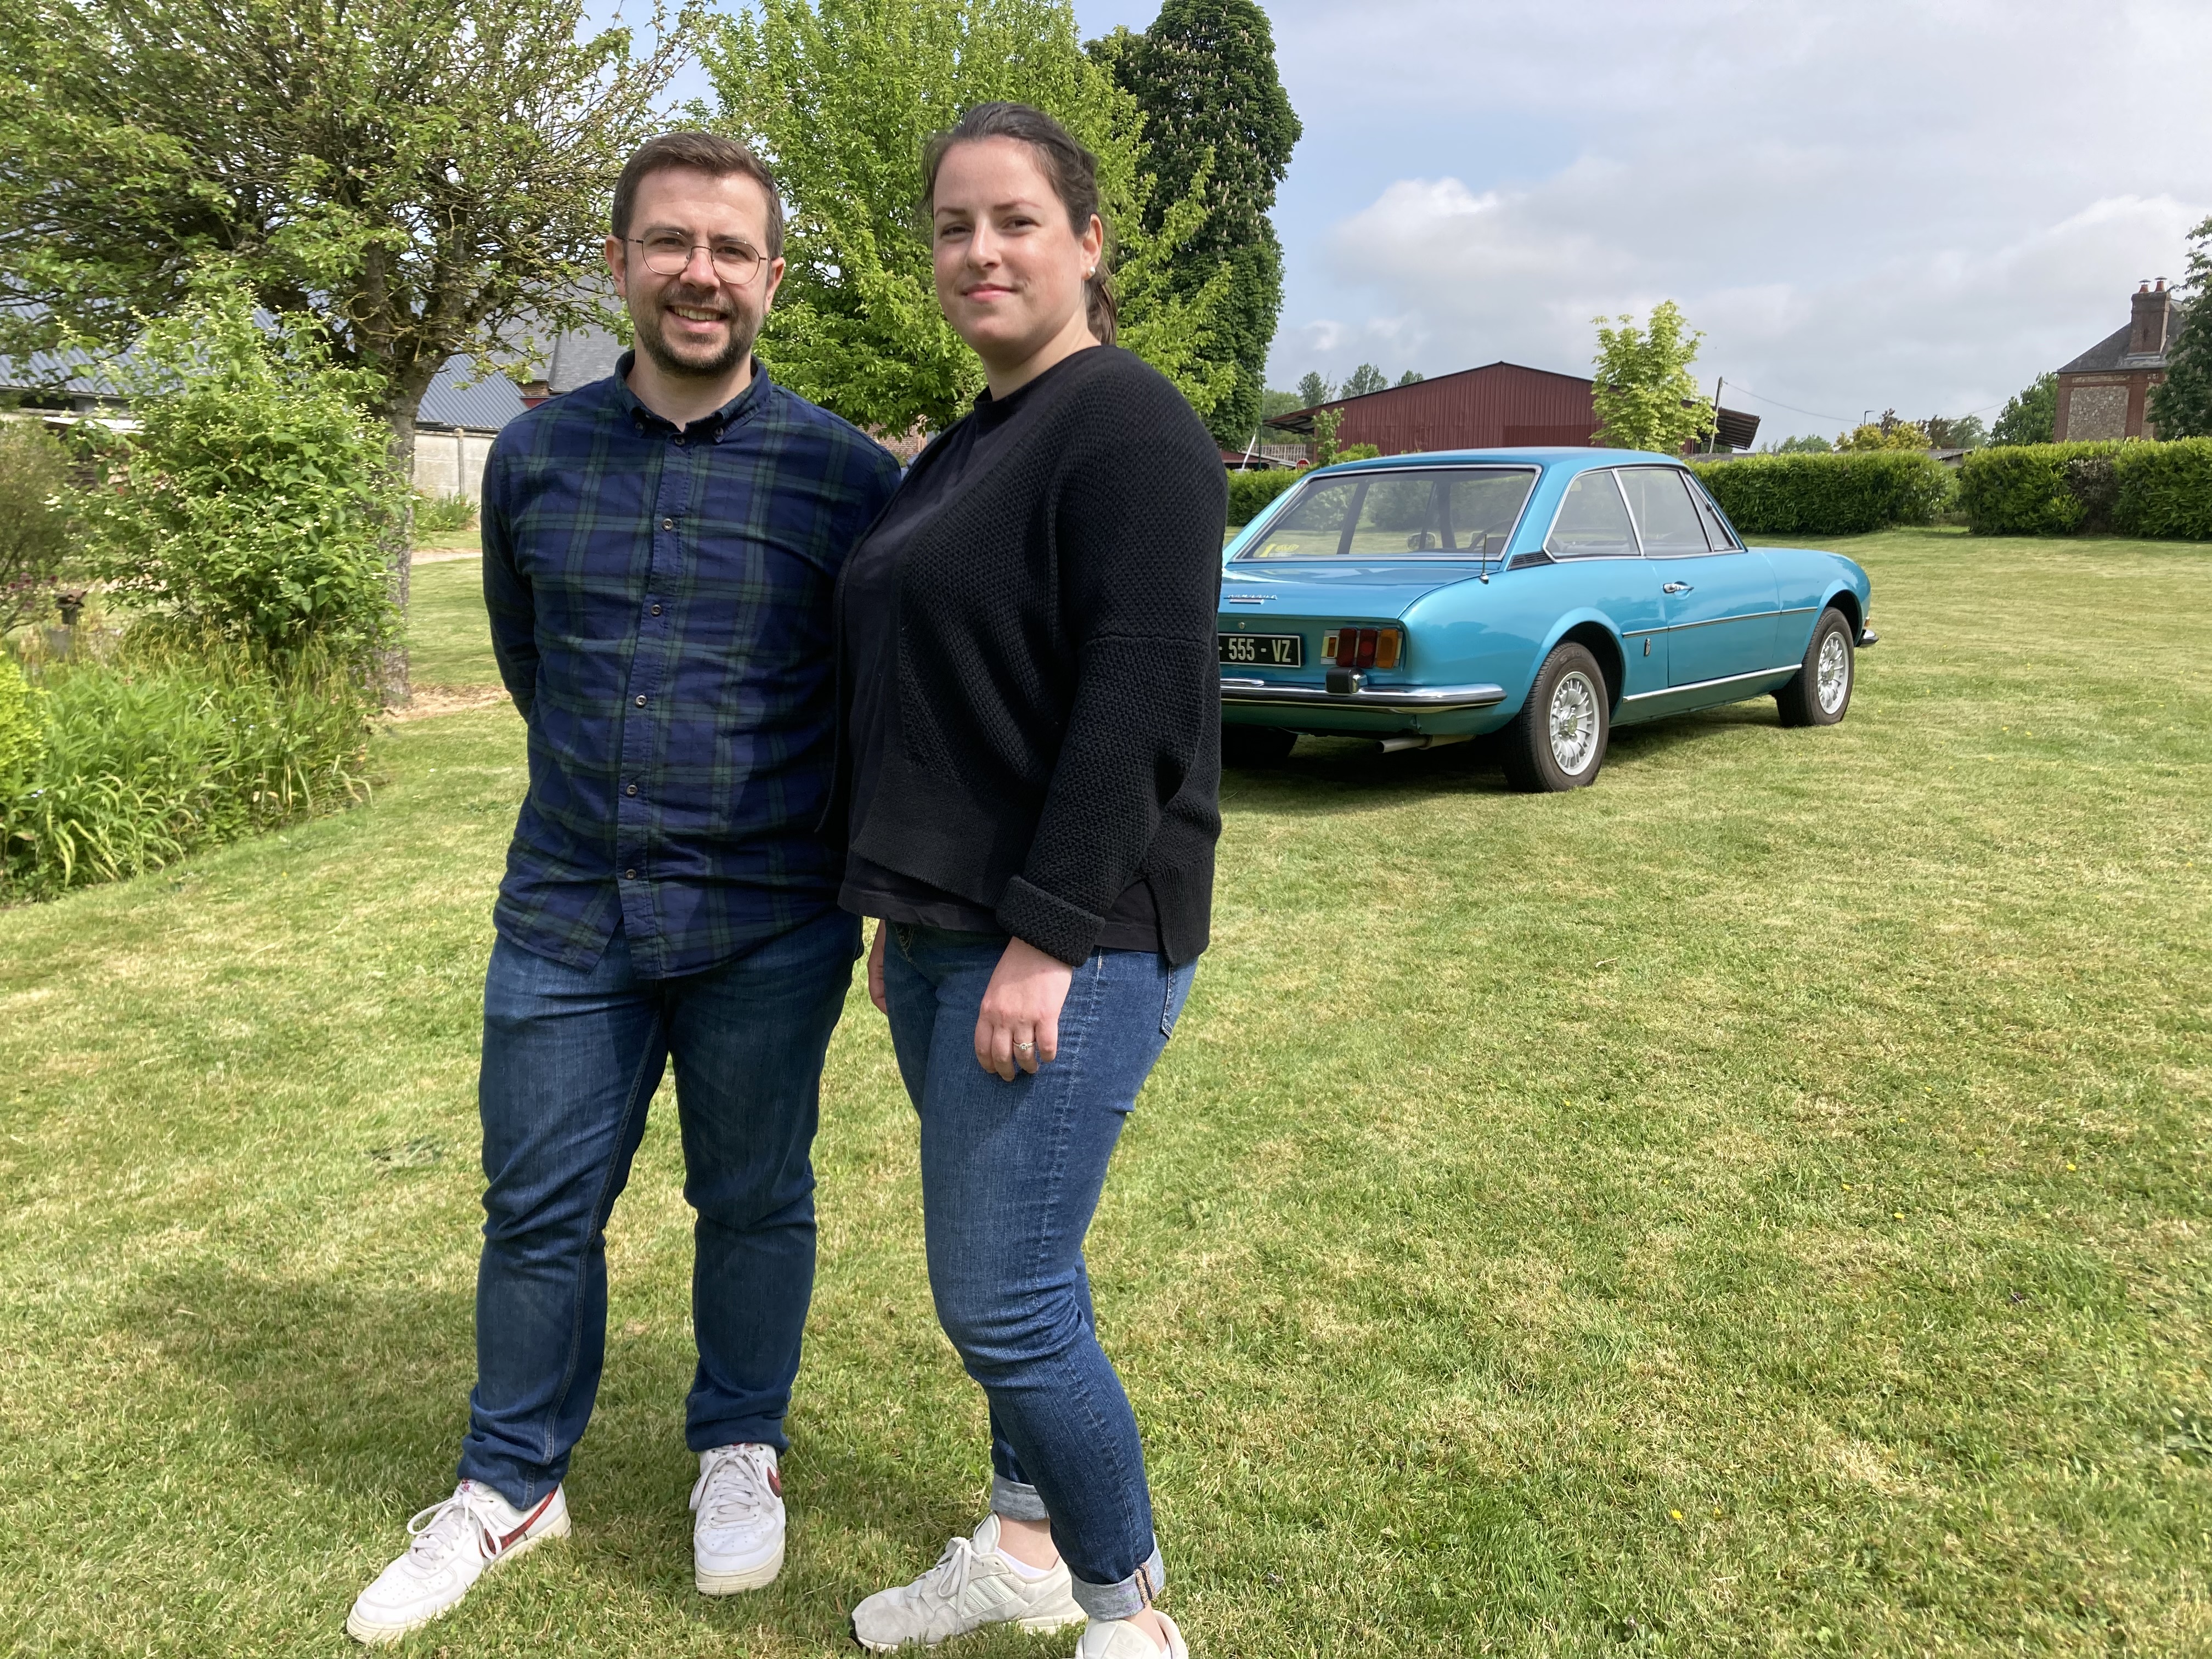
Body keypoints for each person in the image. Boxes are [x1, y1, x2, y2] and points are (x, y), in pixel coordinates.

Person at [346, 133, 902, 1645]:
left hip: (770, 923)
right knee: (536, 1210)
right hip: (568, 915)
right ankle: (512, 1481)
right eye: (669, 243)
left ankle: (740, 1445)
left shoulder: (845, 478)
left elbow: (864, 700)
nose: (699, 273)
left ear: (773, 277)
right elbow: (537, 672)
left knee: (754, 1198)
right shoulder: (533, 458)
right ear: (619, 265)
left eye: (731, 249)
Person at [832, 104, 1226, 1659]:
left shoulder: (1127, 424)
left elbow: (1138, 702)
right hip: (943, 933)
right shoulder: (975, 439)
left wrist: (1041, 940)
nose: (978, 250)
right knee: (1023, 1269)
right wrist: (906, 909)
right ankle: (1019, 1544)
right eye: (951, 225)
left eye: (1011, 219)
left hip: (1072, 942)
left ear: (1086, 241)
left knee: (1001, 1299)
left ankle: (1129, 1608)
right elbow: (948, 697)